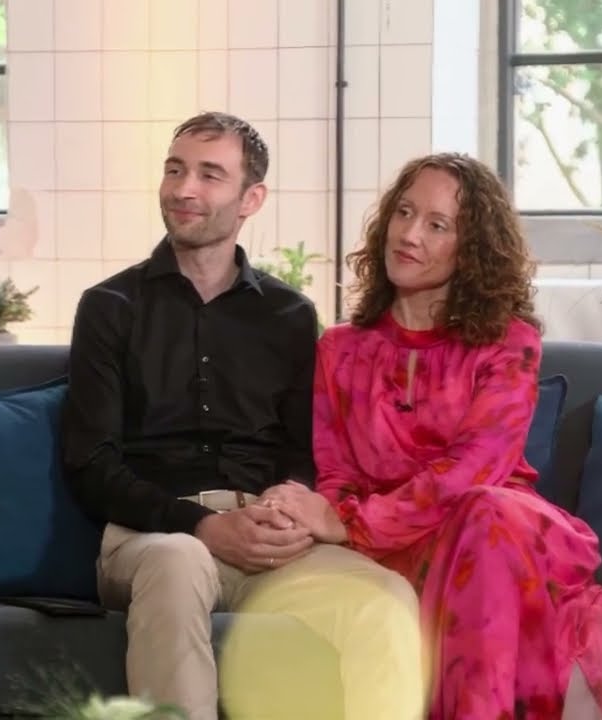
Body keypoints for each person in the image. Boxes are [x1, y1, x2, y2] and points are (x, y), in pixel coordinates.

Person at [259, 153, 602, 719]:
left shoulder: (509, 344)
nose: (410, 234)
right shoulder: (340, 349)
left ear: (471, 251)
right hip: (398, 548)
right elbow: (337, 471)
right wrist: (336, 517)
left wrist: (352, 522)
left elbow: (473, 468)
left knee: (484, 514)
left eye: (437, 224)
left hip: (500, 534)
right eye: (404, 212)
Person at [62, 111, 426, 720]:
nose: (184, 189)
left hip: (265, 532)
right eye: (175, 170)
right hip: (154, 538)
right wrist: (202, 526)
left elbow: (304, 450)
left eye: (210, 175)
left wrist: (288, 505)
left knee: (383, 596)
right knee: (178, 562)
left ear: (251, 198)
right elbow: (90, 463)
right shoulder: (109, 307)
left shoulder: (289, 315)